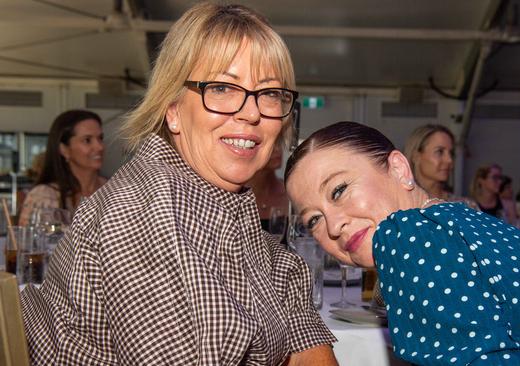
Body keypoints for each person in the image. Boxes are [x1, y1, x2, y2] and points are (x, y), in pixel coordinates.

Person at [20, 3, 337, 365]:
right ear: (172, 109)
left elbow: (286, 291)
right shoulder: (141, 210)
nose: (252, 113)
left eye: (269, 93)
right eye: (221, 88)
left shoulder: (219, 200)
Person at [285, 121, 520, 366]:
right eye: (314, 220)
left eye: (339, 190)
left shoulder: (408, 237)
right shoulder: (452, 217)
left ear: (399, 169)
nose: (334, 226)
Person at [18, 110, 106, 226]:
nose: (99, 147)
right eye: (87, 140)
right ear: (64, 149)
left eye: (100, 138)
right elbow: (24, 241)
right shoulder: (44, 196)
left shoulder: (114, 191)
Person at [404, 124, 478, 210]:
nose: (449, 160)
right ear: (416, 156)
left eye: (451, 153)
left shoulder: (465, 206)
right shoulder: (402, 205)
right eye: (439, 152)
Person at [248, 142, 289, 231]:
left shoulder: (291, 193)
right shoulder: (237, 196)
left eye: (278, 144)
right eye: (271, 144)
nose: (278, 150)